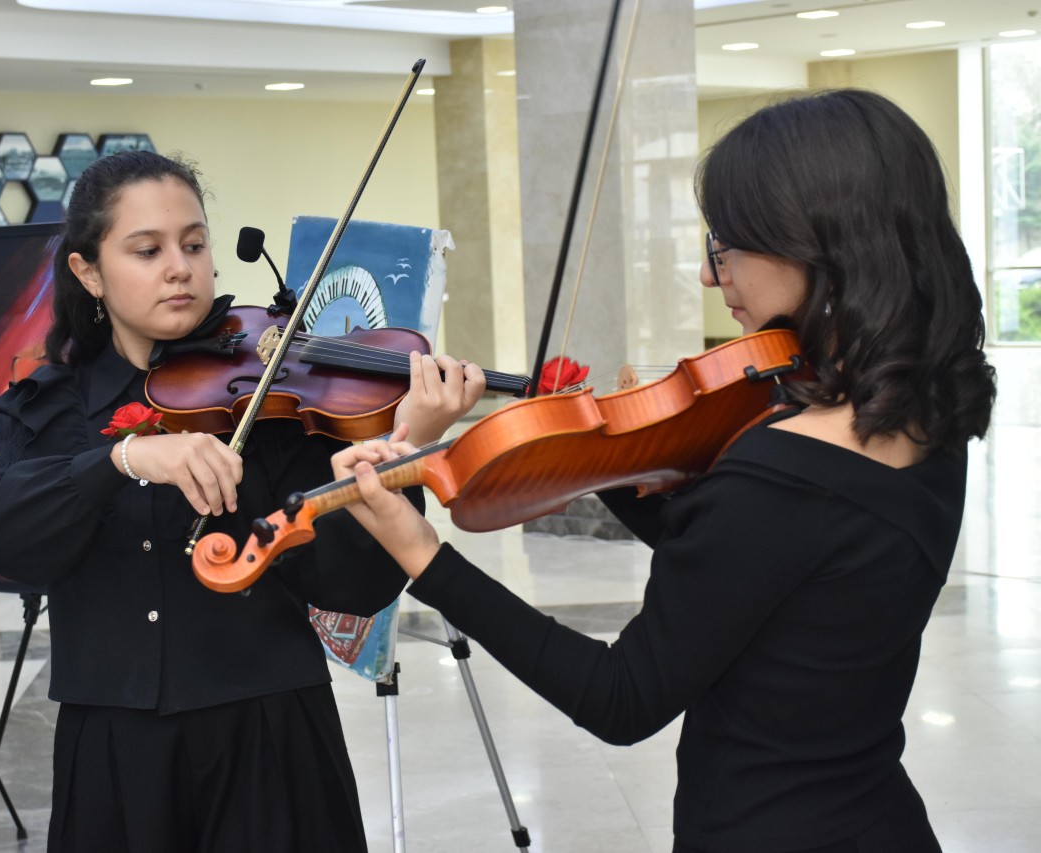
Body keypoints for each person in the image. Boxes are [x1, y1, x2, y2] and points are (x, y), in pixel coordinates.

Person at [335, 89, 996, 853]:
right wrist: (613, 450)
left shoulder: (780, 472)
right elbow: (753, 576)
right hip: (877, 818)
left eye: (727, 244)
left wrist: (423, 553)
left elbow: (622, 698)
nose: (714, 278)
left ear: (813, 241)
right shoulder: (929, 413)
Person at [0, 149, 485, 852]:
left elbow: (355, 585)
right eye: (147, 250)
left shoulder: (276, 400)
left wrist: (410, 448)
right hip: (116, 749)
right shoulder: (44, 412)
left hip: (272, 741)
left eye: (195, 244)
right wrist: (124, 457)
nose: (180, 266)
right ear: (88, 272)